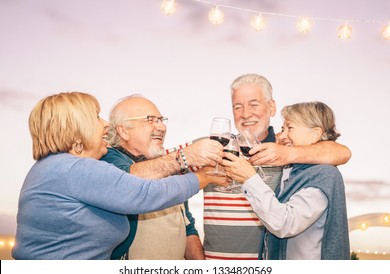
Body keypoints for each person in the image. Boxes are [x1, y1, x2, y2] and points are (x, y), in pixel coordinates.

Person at [12, 92, 228, 260]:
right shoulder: (74, 169)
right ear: (75, 128)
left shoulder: (56, 167)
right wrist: (204, 175)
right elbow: (143, 193)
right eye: (96, 117)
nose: (106, 124)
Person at [202, 73, 352, 260]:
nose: (246, 113)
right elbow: (170, 170)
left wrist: (282, 156)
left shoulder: (283, 155)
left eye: (254, 104)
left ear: (271, 107)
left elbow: (343, 153)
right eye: (238, 106)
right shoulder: (209, 148)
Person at [101, 95, 220, 260]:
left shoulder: (168, 164)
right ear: (123, 130)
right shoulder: (107, 160)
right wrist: (185, 157)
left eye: (161, 119)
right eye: (151, 120)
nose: (162, 127)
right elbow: (128, 181)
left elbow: (187, 227)